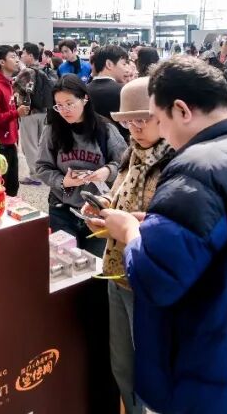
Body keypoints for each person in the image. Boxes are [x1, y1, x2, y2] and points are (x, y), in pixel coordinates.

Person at [94, 56, 227, 413]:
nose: (163, 133)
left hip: (217, 359)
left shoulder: (197, 167)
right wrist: (160, 224)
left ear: (181, 110)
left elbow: (157, 275)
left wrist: (131, 230)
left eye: (160, 119)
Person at [80, 76, 173, 414]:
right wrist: (102, 208)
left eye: (142, 119)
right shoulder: (131, 153)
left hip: (148, 277)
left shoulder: (177, 162)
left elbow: (175, 228)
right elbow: (119, 194)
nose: (135, 128)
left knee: (152, 367)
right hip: (117, 270)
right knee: (122, 364)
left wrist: (130, 225)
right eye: (128, 121)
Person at [35, 75, 127, 257]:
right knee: (63, 260)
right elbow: (42, 167)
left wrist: (107, 171)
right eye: (59, 105)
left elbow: (124, 164)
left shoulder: (105, 129)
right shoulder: (52, 130)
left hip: (97, 210)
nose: (64, 110)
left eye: (69, 103)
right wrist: (63, 181)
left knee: (95, 264)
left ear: (84, 99)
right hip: (62, 209)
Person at [0, 45, 30, 196]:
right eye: (12, 57)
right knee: (0, 188)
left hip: (10, 142)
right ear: (2, 62)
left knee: (12, 187)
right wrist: (16, 113)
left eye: (17, 56)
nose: (17, 60)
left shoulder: (8, 83)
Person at [19, 43, 54, 183]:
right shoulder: (44, 68)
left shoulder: (27, 71)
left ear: (30, 55)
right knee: (41, 144)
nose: (21, 56)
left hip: (29, 112)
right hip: (44, 110)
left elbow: (18, 88)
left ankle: (35, 176)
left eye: (23, 53)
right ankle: (44, 172)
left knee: (30, 145)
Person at [88, 45, 130, 141]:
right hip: (122, 145)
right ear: (109, 64)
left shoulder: (83, 91)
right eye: (123, 64)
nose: (126, 69)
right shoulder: (125, 90)